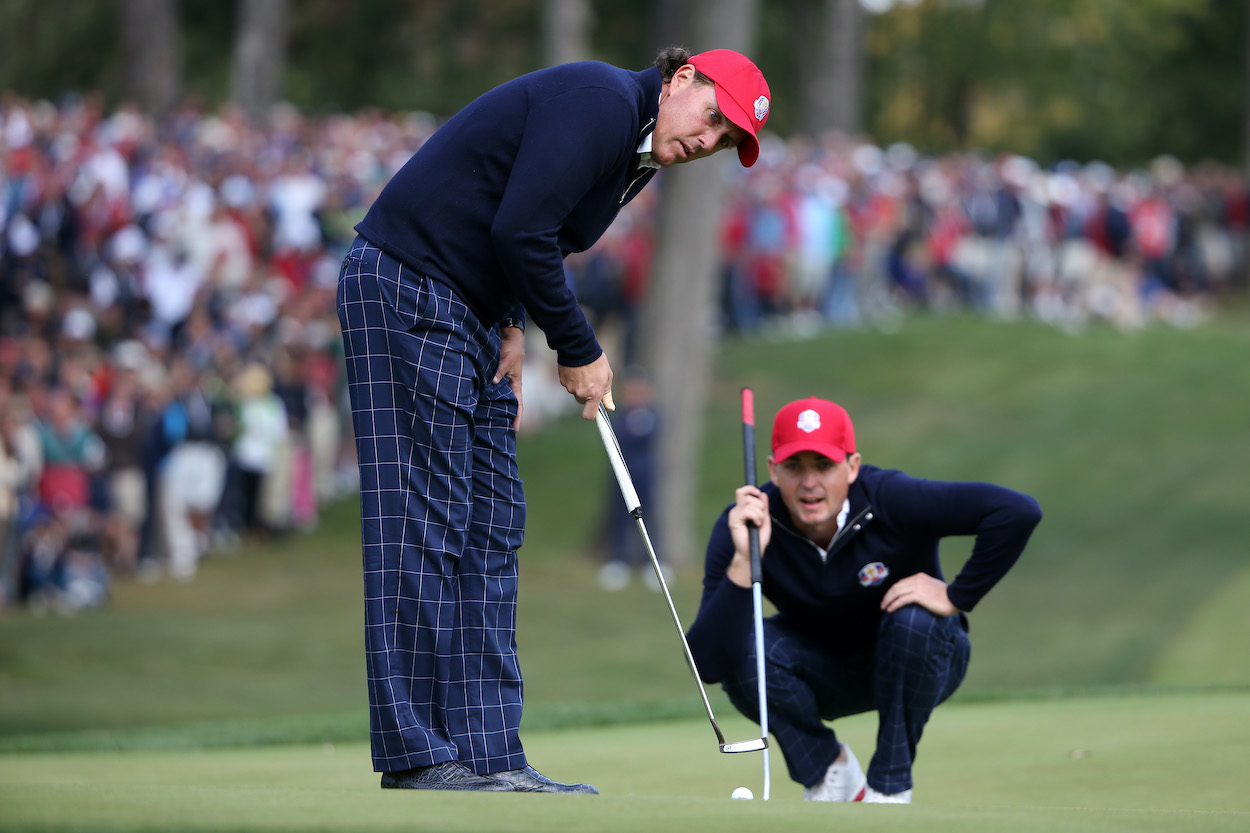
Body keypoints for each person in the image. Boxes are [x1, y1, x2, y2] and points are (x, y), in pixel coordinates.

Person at [336, 47, 772, 793]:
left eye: (726, 141)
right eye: (712, 118)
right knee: (426, 518)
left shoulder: (639, 155)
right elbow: (522, 230)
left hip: (466, 308)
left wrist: (509, 318)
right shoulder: (603, 100)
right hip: (406, 285)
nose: (709, 142)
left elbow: (518, 216)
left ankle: (489, 750)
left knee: (494, 518)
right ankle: (417, 752)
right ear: (681, 80)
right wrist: (577, 345)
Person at [686, 397, 1041, 804]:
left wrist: (957, 595)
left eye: (824, 466)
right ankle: (829, 772)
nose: (809, 483)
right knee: (744, 645)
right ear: (772, 470)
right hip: (820, 673)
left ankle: (889, 787)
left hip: (921, 658)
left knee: (914, 618)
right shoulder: (745, 524)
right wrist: (744, 564)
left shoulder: (891, 497)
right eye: (794, 467)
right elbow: (709, 665)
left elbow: (1016, 511)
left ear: (852, 467)